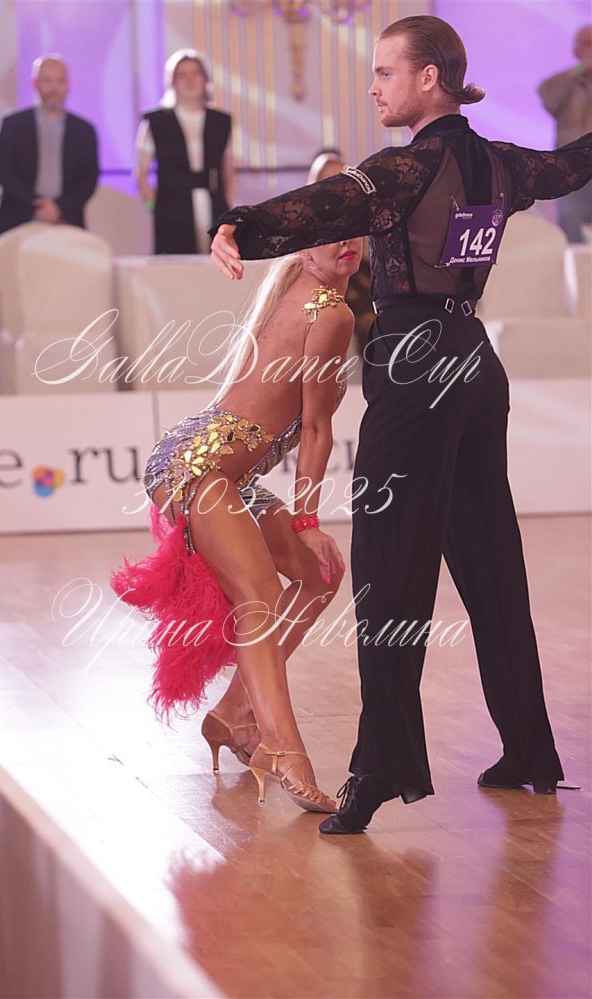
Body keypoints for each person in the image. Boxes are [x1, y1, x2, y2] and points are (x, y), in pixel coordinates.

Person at [210, 14, 592, 835]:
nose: (374, 85)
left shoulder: (407, 166)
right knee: (491, 561)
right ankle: (529, 748)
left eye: (387, 71)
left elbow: (325, 205)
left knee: (388, 570)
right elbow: (569, 166)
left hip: (416, 364)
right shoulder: (500, 162)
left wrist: (242, 222)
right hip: (474, 362)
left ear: (430, 78)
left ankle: (382, 764)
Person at [112, 237, 363, 814]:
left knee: (322, 574)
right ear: (304, 250)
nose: (347, 242)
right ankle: (283, 749)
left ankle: (233, 715)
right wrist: (306, 519)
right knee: (259, 595)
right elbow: (316, 430)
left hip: (227, 473)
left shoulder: (308, 292)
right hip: (197, 466)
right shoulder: (331, 312)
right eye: (330, 232)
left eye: (354, 229)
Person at [0, 55, 99, 267]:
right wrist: (38, 206)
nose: (54, 88)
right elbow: (5, 173)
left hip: (67, 220)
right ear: (35, 84)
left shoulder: (84, 131)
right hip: (18, 217)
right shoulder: (13, 126)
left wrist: (59, 208)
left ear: (68, 85)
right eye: (47, 81)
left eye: (59, 81)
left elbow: (88, 179)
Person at [135, 49, 234, 254]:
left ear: (204, 78)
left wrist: (229, 206)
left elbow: (228, 169)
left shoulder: (221, 121)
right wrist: (153, 206)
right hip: (172, 207)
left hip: (213, 201)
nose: (190, 80)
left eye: (195, 73)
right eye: (182, 75)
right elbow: (141, 172)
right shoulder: (156, 122)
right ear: (172, 80)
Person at [308, 148, 376, 356]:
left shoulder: (360, 213)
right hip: (326, 282)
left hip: (359, 276)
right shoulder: (309, 220)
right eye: (333, 181)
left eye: (345, 180)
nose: (341, 187)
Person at [539, 24, 592, 242]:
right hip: (571, 166)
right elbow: (547, 96)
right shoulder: (566, 81)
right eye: (587, 44)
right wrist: (581, 69)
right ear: (576, 50)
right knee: (571, 222)